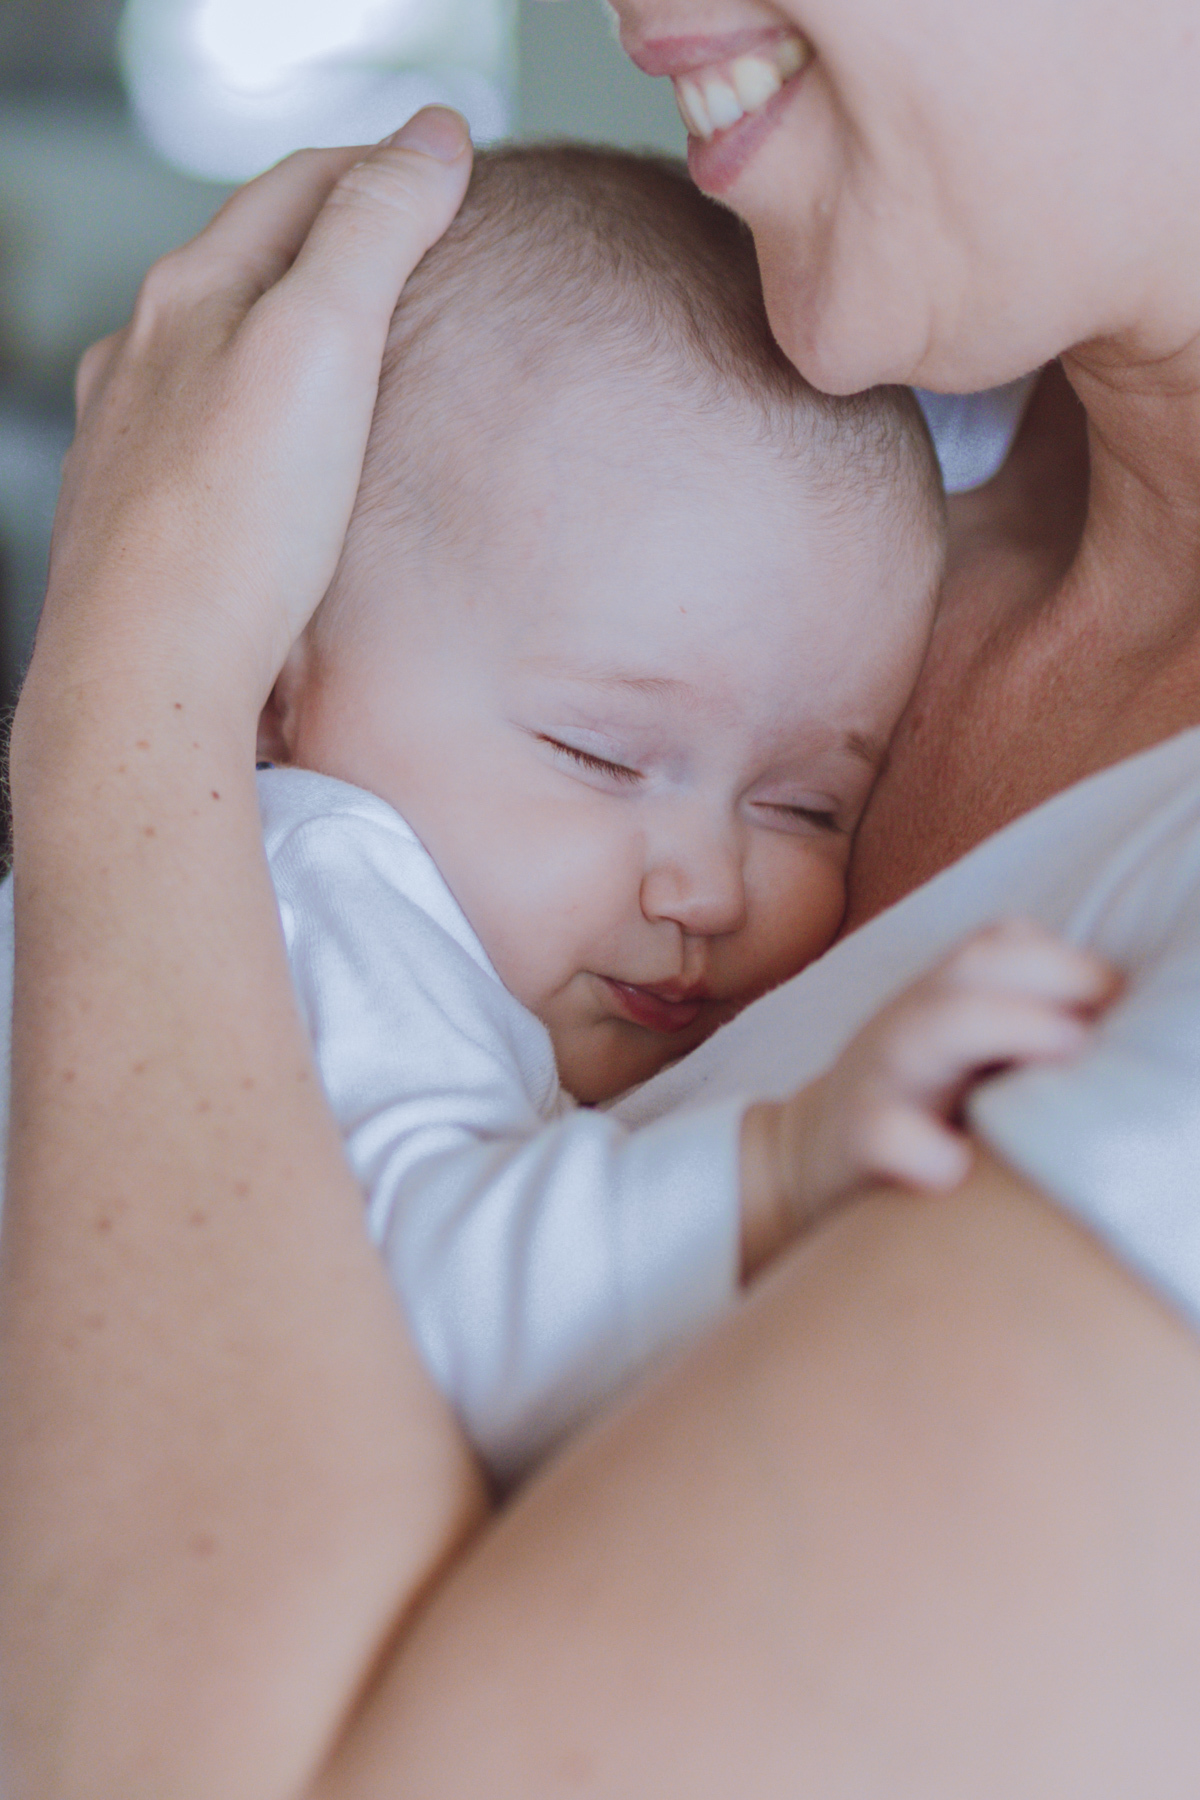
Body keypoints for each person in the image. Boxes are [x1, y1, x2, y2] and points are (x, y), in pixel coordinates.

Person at [5, 0, 1200, 1786]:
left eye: (812, 800)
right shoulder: (751, 515)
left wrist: (131, 689)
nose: (642, 11)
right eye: (593, 754)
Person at [0, 145, 1112, 1490]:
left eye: (808, 804)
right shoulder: (320, 894)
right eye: (600, 755)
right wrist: (768, 1169)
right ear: (277, 694)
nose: (706, 882)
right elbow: (419, 1311)